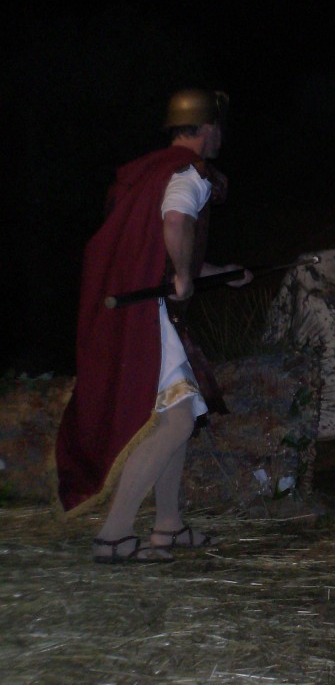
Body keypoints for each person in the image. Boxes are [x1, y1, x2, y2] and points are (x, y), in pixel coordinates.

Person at [54, 88, 252, 563]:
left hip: (134, 310)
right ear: (206, 128)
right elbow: (176, 224)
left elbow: (156, 255)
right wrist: (185, 275)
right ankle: (114, 535)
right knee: (177, 424)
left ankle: (168, 525)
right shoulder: (190, 173)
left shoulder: (146, 174)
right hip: (151, 318)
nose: (220, 136)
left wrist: (218, 272)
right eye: (218, 127)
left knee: (179, 416)